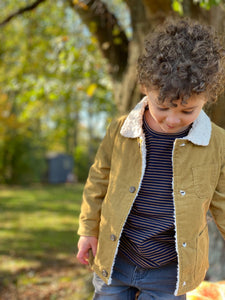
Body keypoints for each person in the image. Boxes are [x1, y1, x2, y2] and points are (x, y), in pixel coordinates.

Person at [76, 18, 225, 300]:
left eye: (186, 111)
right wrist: (87, 230)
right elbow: (97, 182)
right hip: (116, 260)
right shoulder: (120, 131)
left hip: (171, 272)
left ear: (207, 97)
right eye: (164, 106)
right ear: (145, 85)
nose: (172, 120)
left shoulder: (217, 144)